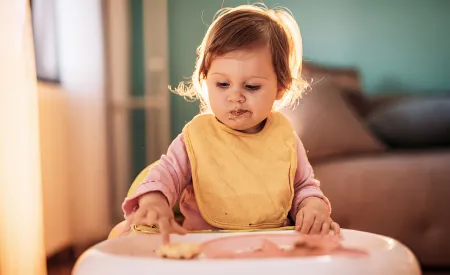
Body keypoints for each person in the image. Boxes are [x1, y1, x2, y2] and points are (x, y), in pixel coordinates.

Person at [120, 3, 340, 244]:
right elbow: (166, 174)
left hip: (273, 249)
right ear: (205, 80)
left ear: (280, 88)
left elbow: (302, 186)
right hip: (204, 250)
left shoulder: (284, 137)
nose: (235, 96)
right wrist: (154, 201)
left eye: (252, 86)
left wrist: (313, 205)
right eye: (223, 84)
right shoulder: (196, 137)